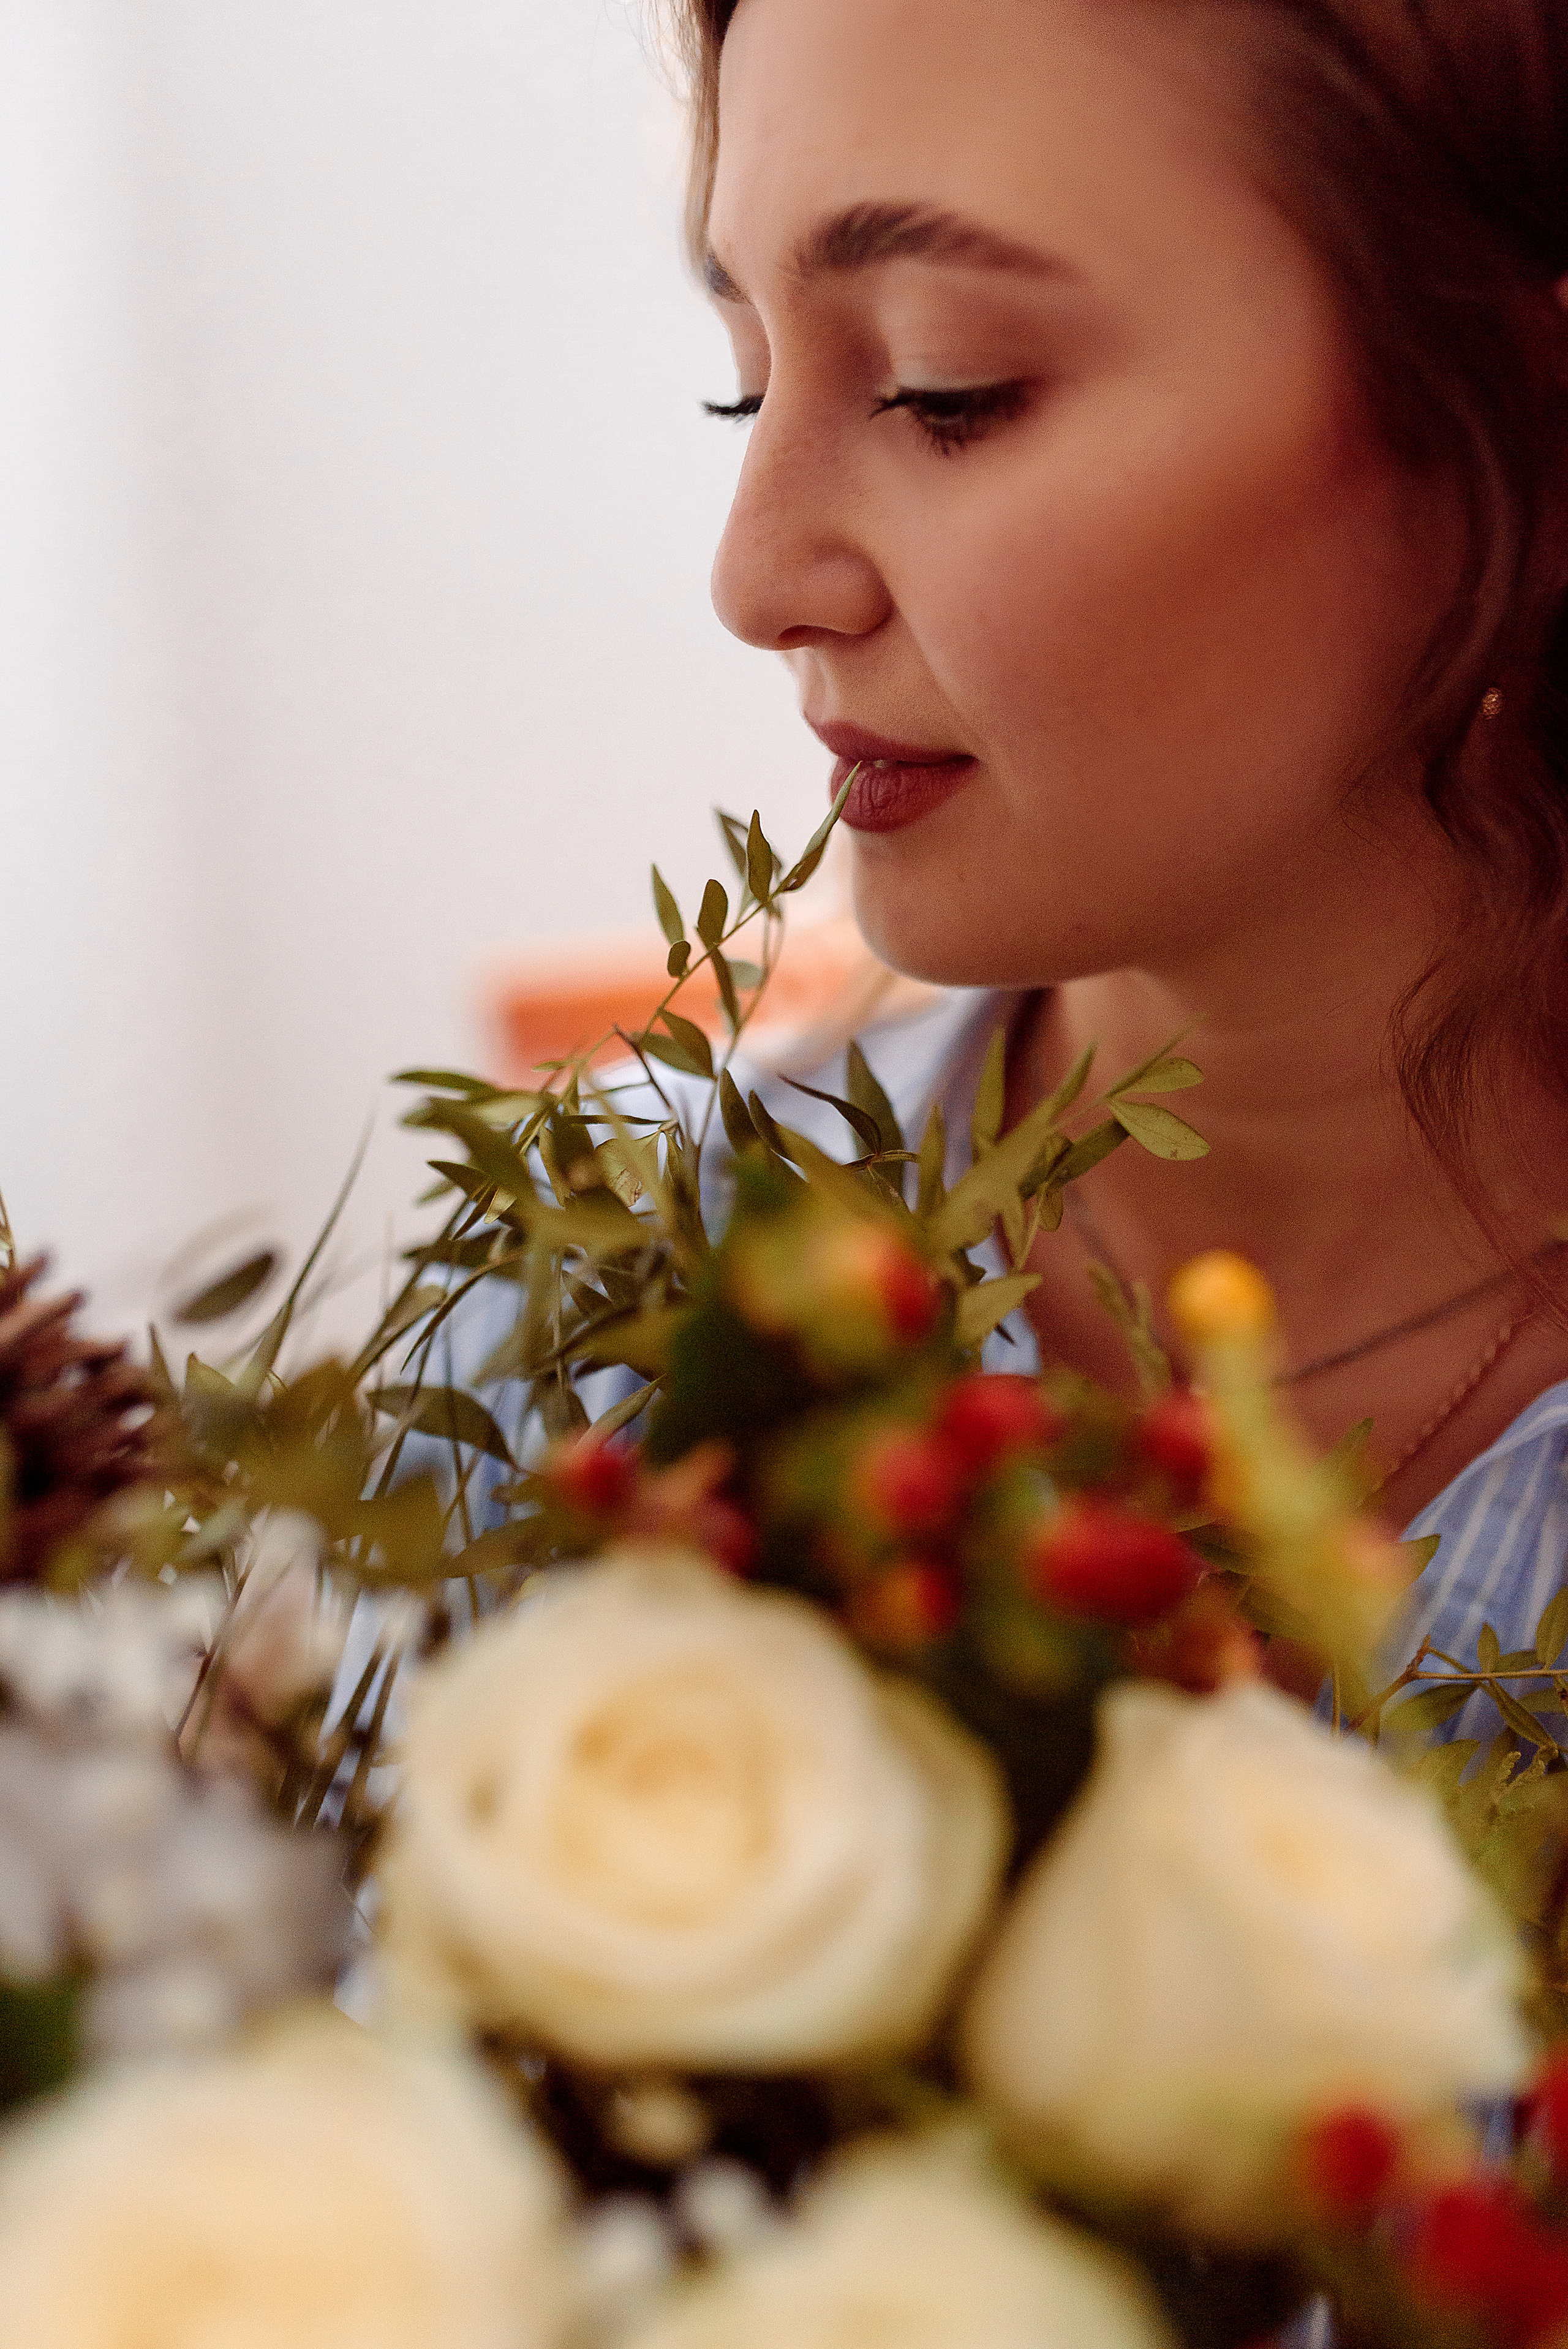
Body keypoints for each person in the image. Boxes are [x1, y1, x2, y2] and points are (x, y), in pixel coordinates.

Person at [635, 0, 1568, 1712]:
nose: (755, 577)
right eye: (742, 380)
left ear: (1530, 405)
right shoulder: (614, 1309)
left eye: (945, 389)